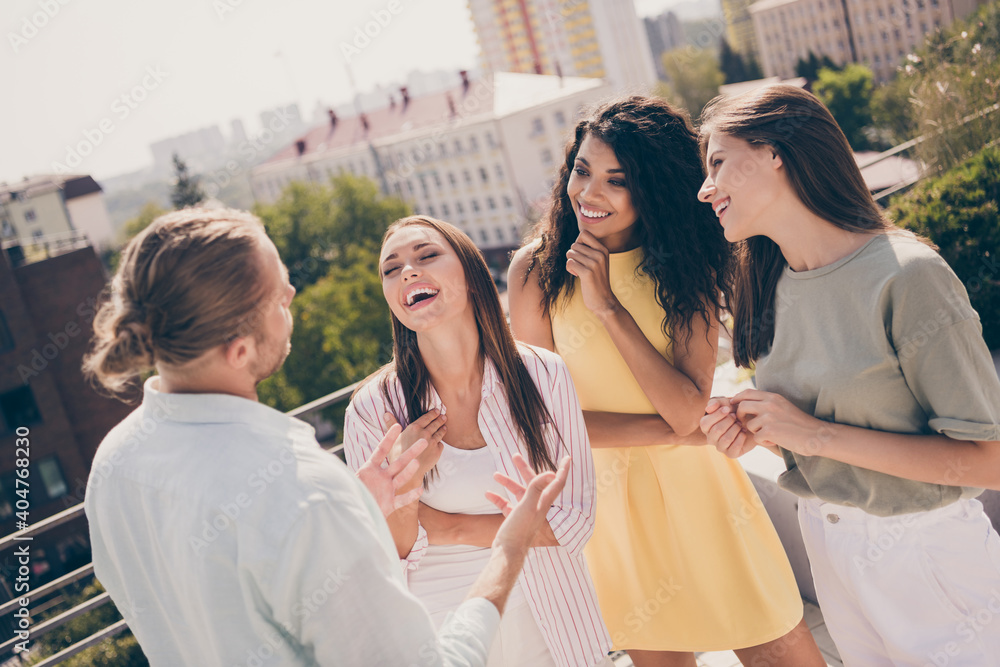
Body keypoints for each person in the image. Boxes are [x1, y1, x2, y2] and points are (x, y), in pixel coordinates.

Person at [82, 207, 570, 667]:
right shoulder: (304, 491)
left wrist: (360, 514)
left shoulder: (112, 465)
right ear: (239, 350)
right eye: (279, 296)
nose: (293, 294)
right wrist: (507, 552)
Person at [508, 96, 824, 667]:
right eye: (582, 171)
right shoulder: (535, 272)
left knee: (784, 654)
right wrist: (679, 433)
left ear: (651, 188)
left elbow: (684, 410)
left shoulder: (683, 269)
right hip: (608, 513)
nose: (589, 193)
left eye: (616, 180)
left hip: (705, 498)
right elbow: (546, 423)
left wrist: (606, 306)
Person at [697, 84, 1000, 666]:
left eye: (717, 162)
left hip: (926, 555)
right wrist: (760, 429)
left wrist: (811, 433)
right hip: (830, 548)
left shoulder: (908, 276)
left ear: (776, 151)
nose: (705, 189)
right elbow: (820, 425)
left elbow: (985, 458)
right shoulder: (769, 285)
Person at [343, 215, 613, 667]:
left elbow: (574, 522)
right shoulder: (372, 410)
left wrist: (451, 527)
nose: (407, 271)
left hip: (553, 616)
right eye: (391, 269)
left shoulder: (543, 373)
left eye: (427, 255)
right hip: (444, 631)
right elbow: (389, 556)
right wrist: (408, 489)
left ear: (470, 273)